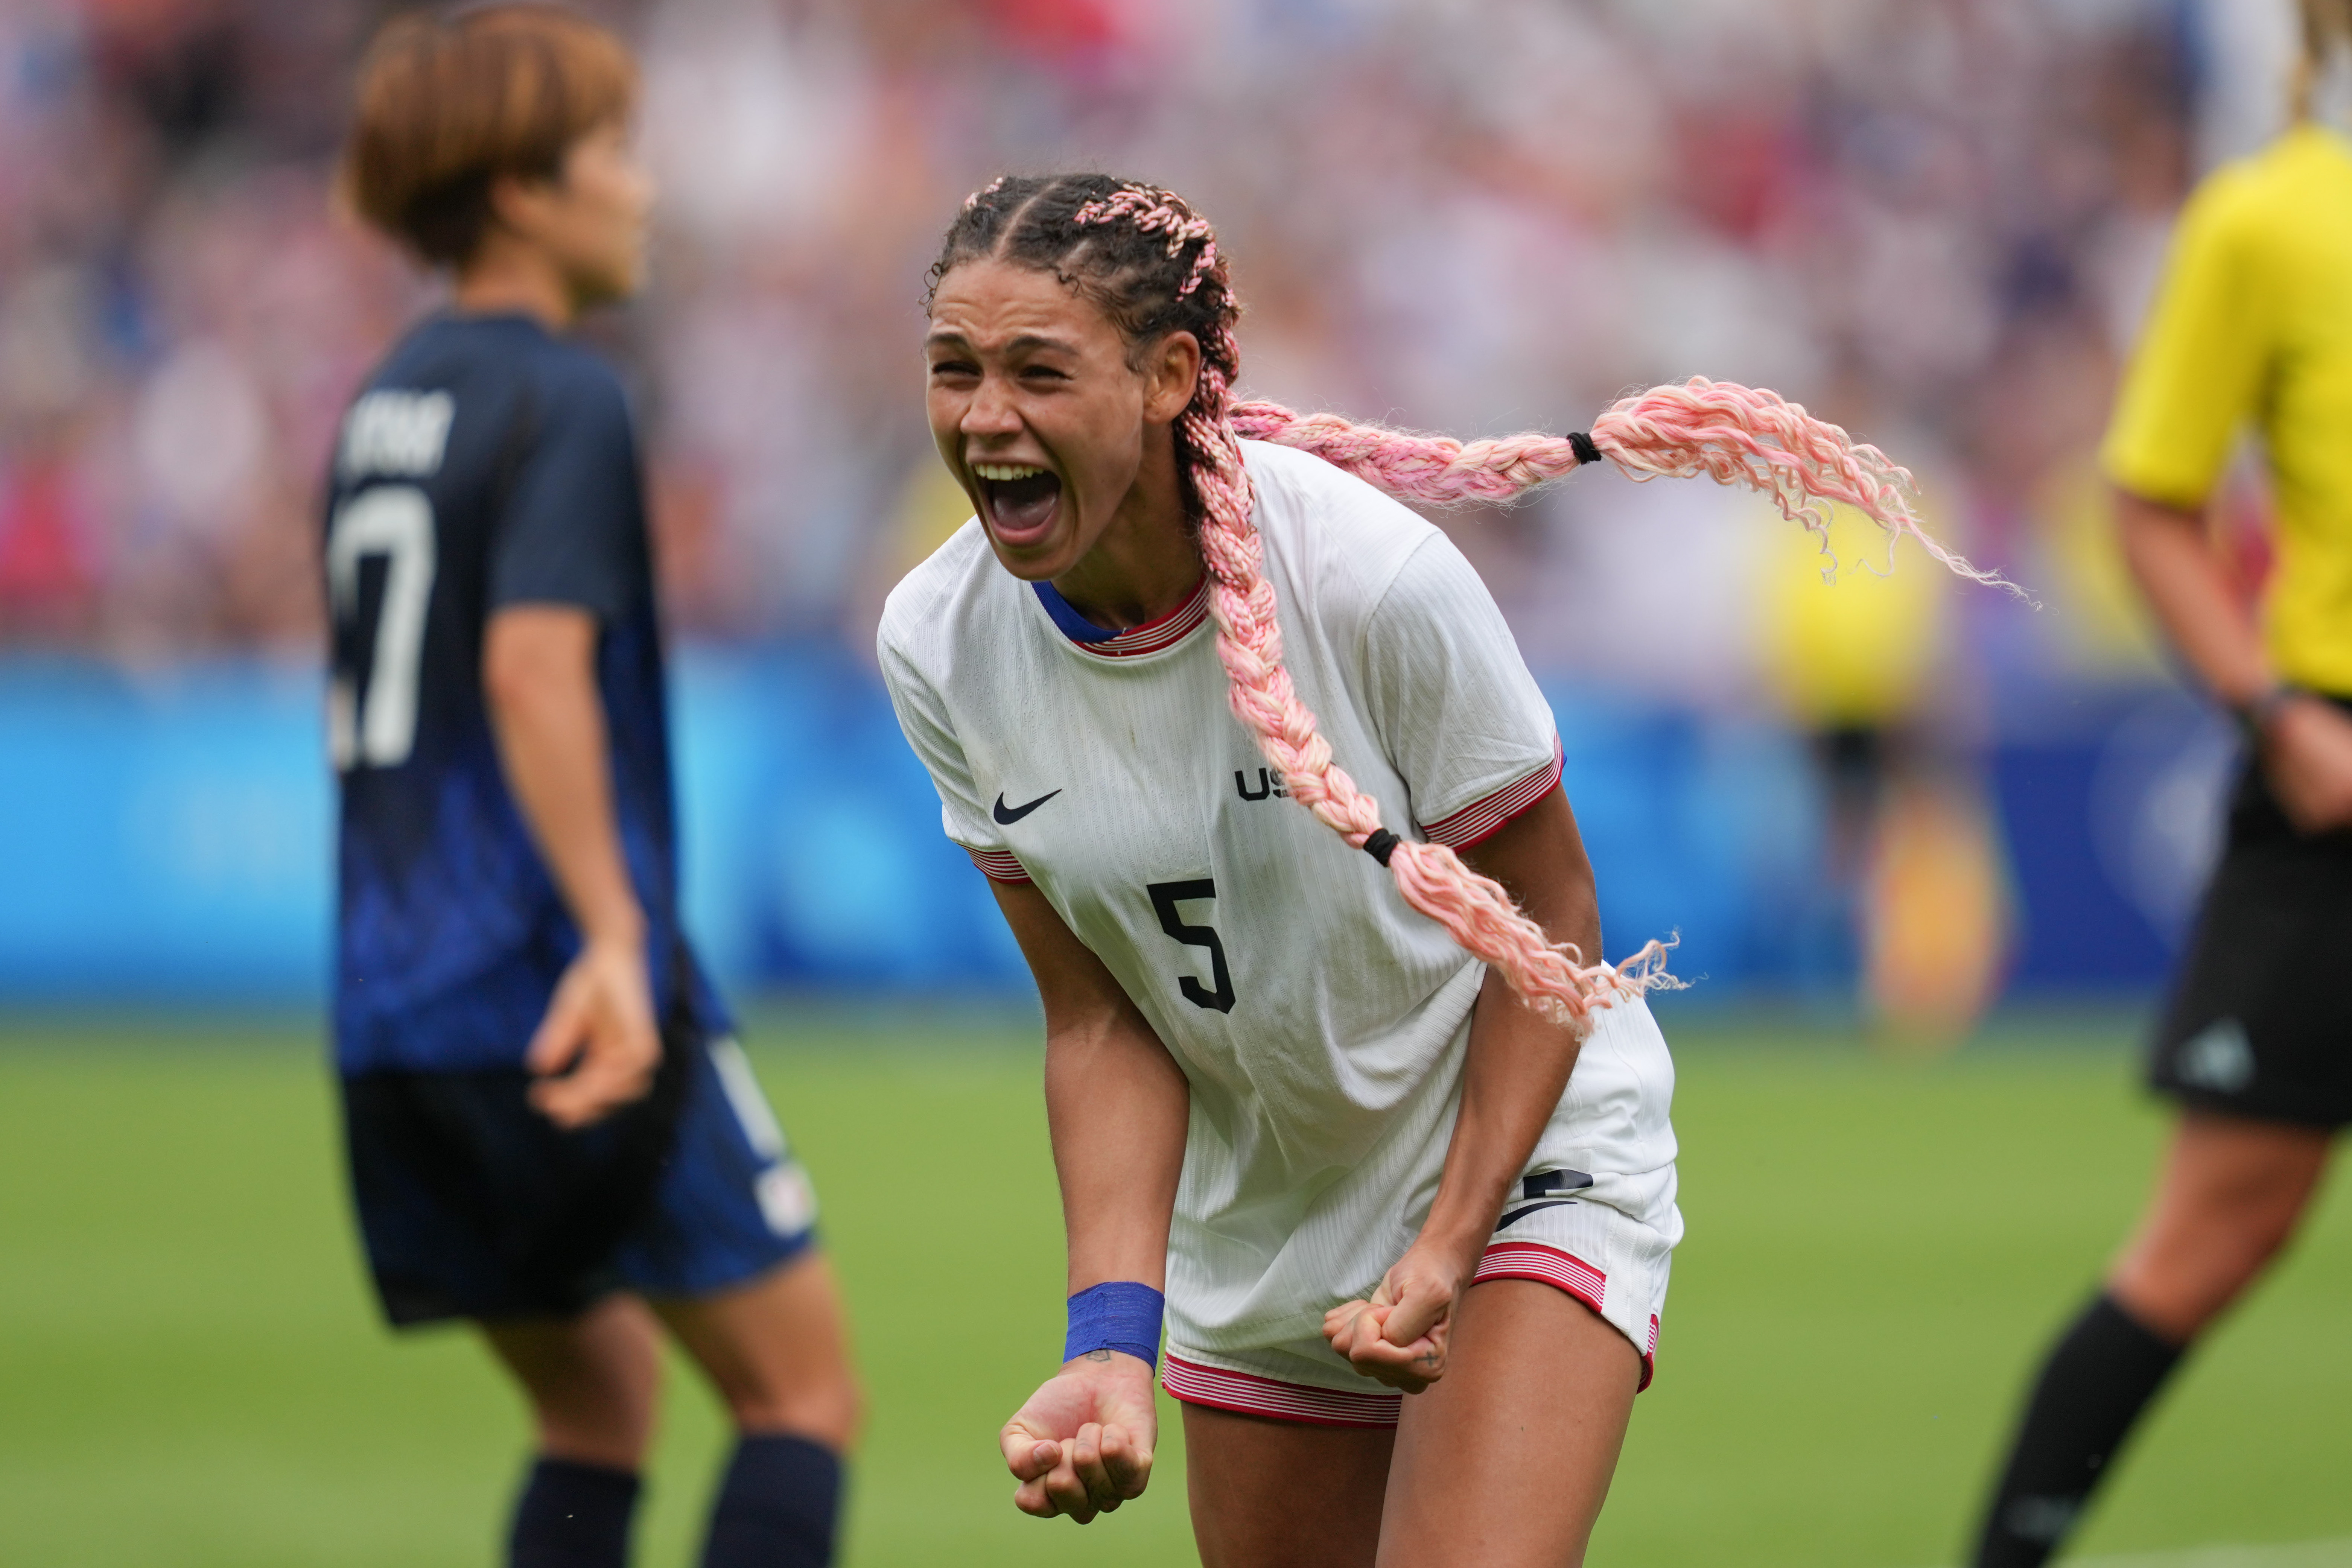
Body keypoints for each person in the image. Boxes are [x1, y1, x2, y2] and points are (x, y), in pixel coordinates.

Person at [879, 172, 1991, 1566]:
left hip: (1519, 1162)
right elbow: (1106, 1017)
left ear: (1169, 377)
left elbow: (1549, 926)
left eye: (1037, 370)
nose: (984, 418)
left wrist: (1445, 1246)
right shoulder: (935, 640)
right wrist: (1109, 1342)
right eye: (953, 369)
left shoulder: (1367, 576)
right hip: (1272, 1207)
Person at [325, 11, 856, 1566]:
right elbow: (530, 668)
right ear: (516, 192)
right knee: (803, 1397)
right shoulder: (562, 395)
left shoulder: (381, 406)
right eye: (611, 153)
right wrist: (619, 944)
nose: (641, 186)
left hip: (395, 1013)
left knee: (595, 1410)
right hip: (563, 986)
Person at [1968, 6, 2351, 1563]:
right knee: (2214, 1236)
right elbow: (2154, 501)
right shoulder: (2266, 220)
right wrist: (2278, 715)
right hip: (2335, 779)